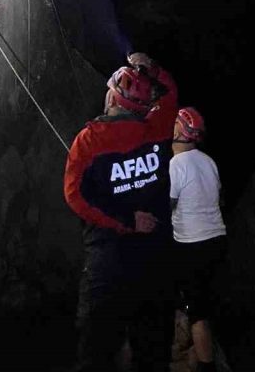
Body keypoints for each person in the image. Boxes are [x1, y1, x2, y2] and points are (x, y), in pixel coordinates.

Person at [64, 53, 178, 372]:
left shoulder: (88, 142)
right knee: (153, 350)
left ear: (112, 96)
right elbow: (170, 93)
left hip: (108, 261)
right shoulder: (158, 128)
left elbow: (75, 196)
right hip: (154, 259)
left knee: (95, 351)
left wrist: (125, 221)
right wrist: (153, 67)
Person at [170, 107, 226, 372]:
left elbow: (167, 208)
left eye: (174, 123)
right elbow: (218, 198)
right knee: (201, 301)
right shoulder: (209, 161)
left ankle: (205, 366)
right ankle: (195, 354)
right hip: (217, 239)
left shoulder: (176, 164)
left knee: (197, 313)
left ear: (182, 130)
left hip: (192, 245)